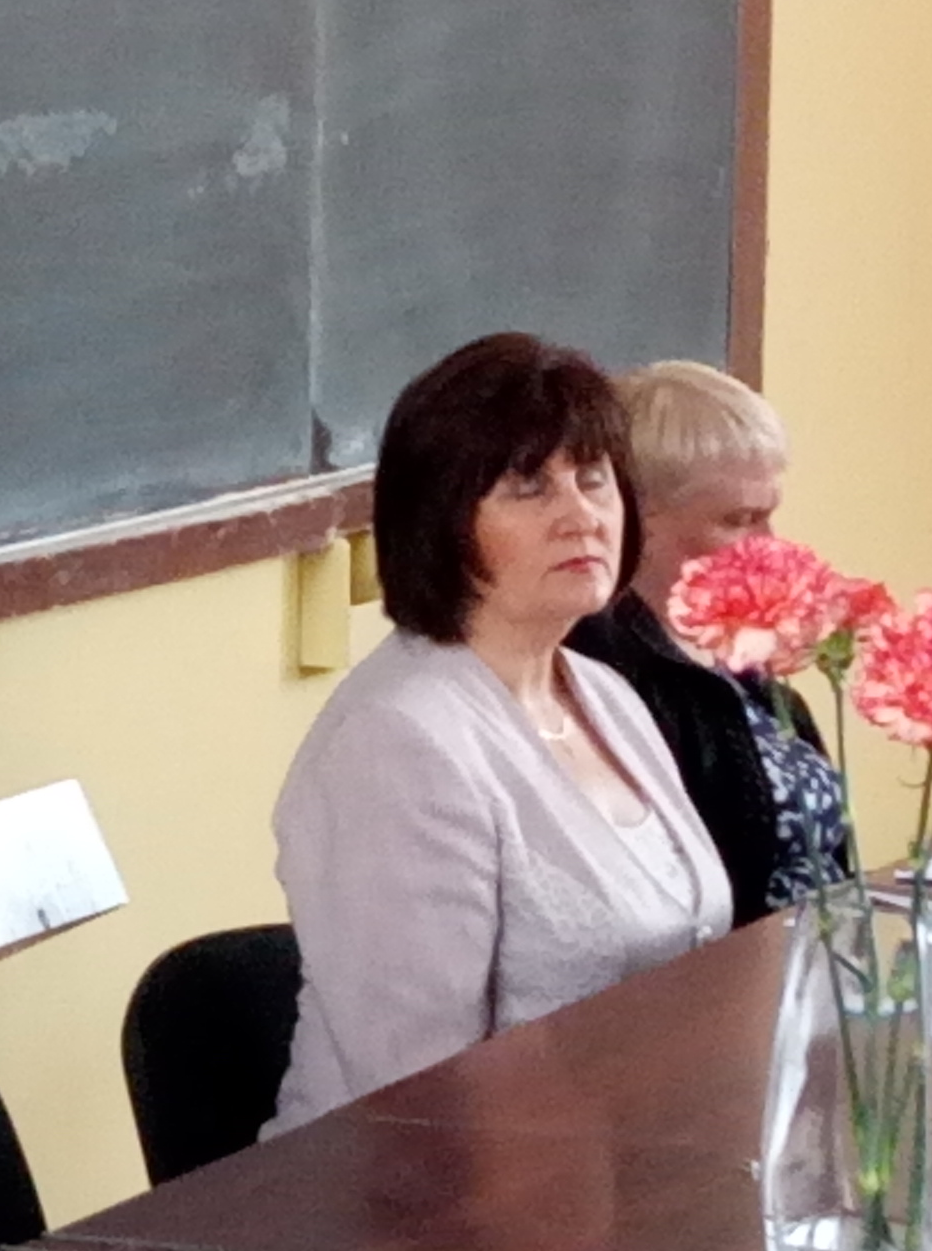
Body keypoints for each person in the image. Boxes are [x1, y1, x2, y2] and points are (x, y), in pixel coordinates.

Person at [267, 332, 732, 1131]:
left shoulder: (603, 692)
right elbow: (421, 1095)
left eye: (593, 479)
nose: (581, 516)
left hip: (629, 1159)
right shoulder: (399, 744)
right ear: (442, 523)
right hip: (417, 1188)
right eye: (528, 488)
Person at [569, 356, 854, 924]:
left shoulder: (735, 656)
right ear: (636, 517)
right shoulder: (604, 674)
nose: (768, 544)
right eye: (738, 519)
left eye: (768, 515)